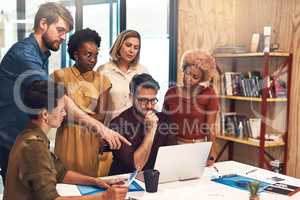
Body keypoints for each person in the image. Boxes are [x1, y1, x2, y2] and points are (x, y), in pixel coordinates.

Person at [0, 2, 129, 183]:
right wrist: (101, 128)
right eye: (60, 30)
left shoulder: (41, 55)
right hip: (11, 141)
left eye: (65, 32)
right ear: (43, 24)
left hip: (27, 141)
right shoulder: (25, 55)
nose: (62, 37)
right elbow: (57, 98)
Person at [3, 80, 128, 200]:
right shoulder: (34, 146)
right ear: (45, 114)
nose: (64, 114)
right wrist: (105, 197)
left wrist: (95, 181)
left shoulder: (29, 135)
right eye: (62, 109)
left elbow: (61, 173)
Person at [52, 28, 111, 177]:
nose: (93, 59)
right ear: (76, 54)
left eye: (96, 55)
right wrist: (84, 117)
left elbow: (102, 116)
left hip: (90, 139)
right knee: (63, 180)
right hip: (66, 138)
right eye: (88, 54)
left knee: (88, 185)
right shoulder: (60, 76)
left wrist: (71, 115)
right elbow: (54, 111)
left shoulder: (103, 81)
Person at [109, 73, 177, 175]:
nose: (149, 106)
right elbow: (136, 167)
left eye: (153, 100)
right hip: (126, 183)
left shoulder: (165, 120)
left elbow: (172, 158)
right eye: (143, 100)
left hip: (156, 179)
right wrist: (150, 132)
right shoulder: (117, 125)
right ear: (131, 97)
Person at [162, 50, 219, 166]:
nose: (189, 79)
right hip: (172, 146)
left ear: (202, 78)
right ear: (183, 70)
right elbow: (163, 123)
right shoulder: (171, 93)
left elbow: (210, 127)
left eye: (195, 77)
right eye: (187, 74)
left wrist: (212, 152)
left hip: (197, 148)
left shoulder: (209, 94)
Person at [97, 30, 148, 125]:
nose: (131, 50)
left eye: (136, 48)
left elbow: (148, 101)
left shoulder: (142, 71)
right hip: (111, 128)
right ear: (119, 45)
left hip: (137, 129)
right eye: (128, 45)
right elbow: (97, 107)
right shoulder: (103, 70)